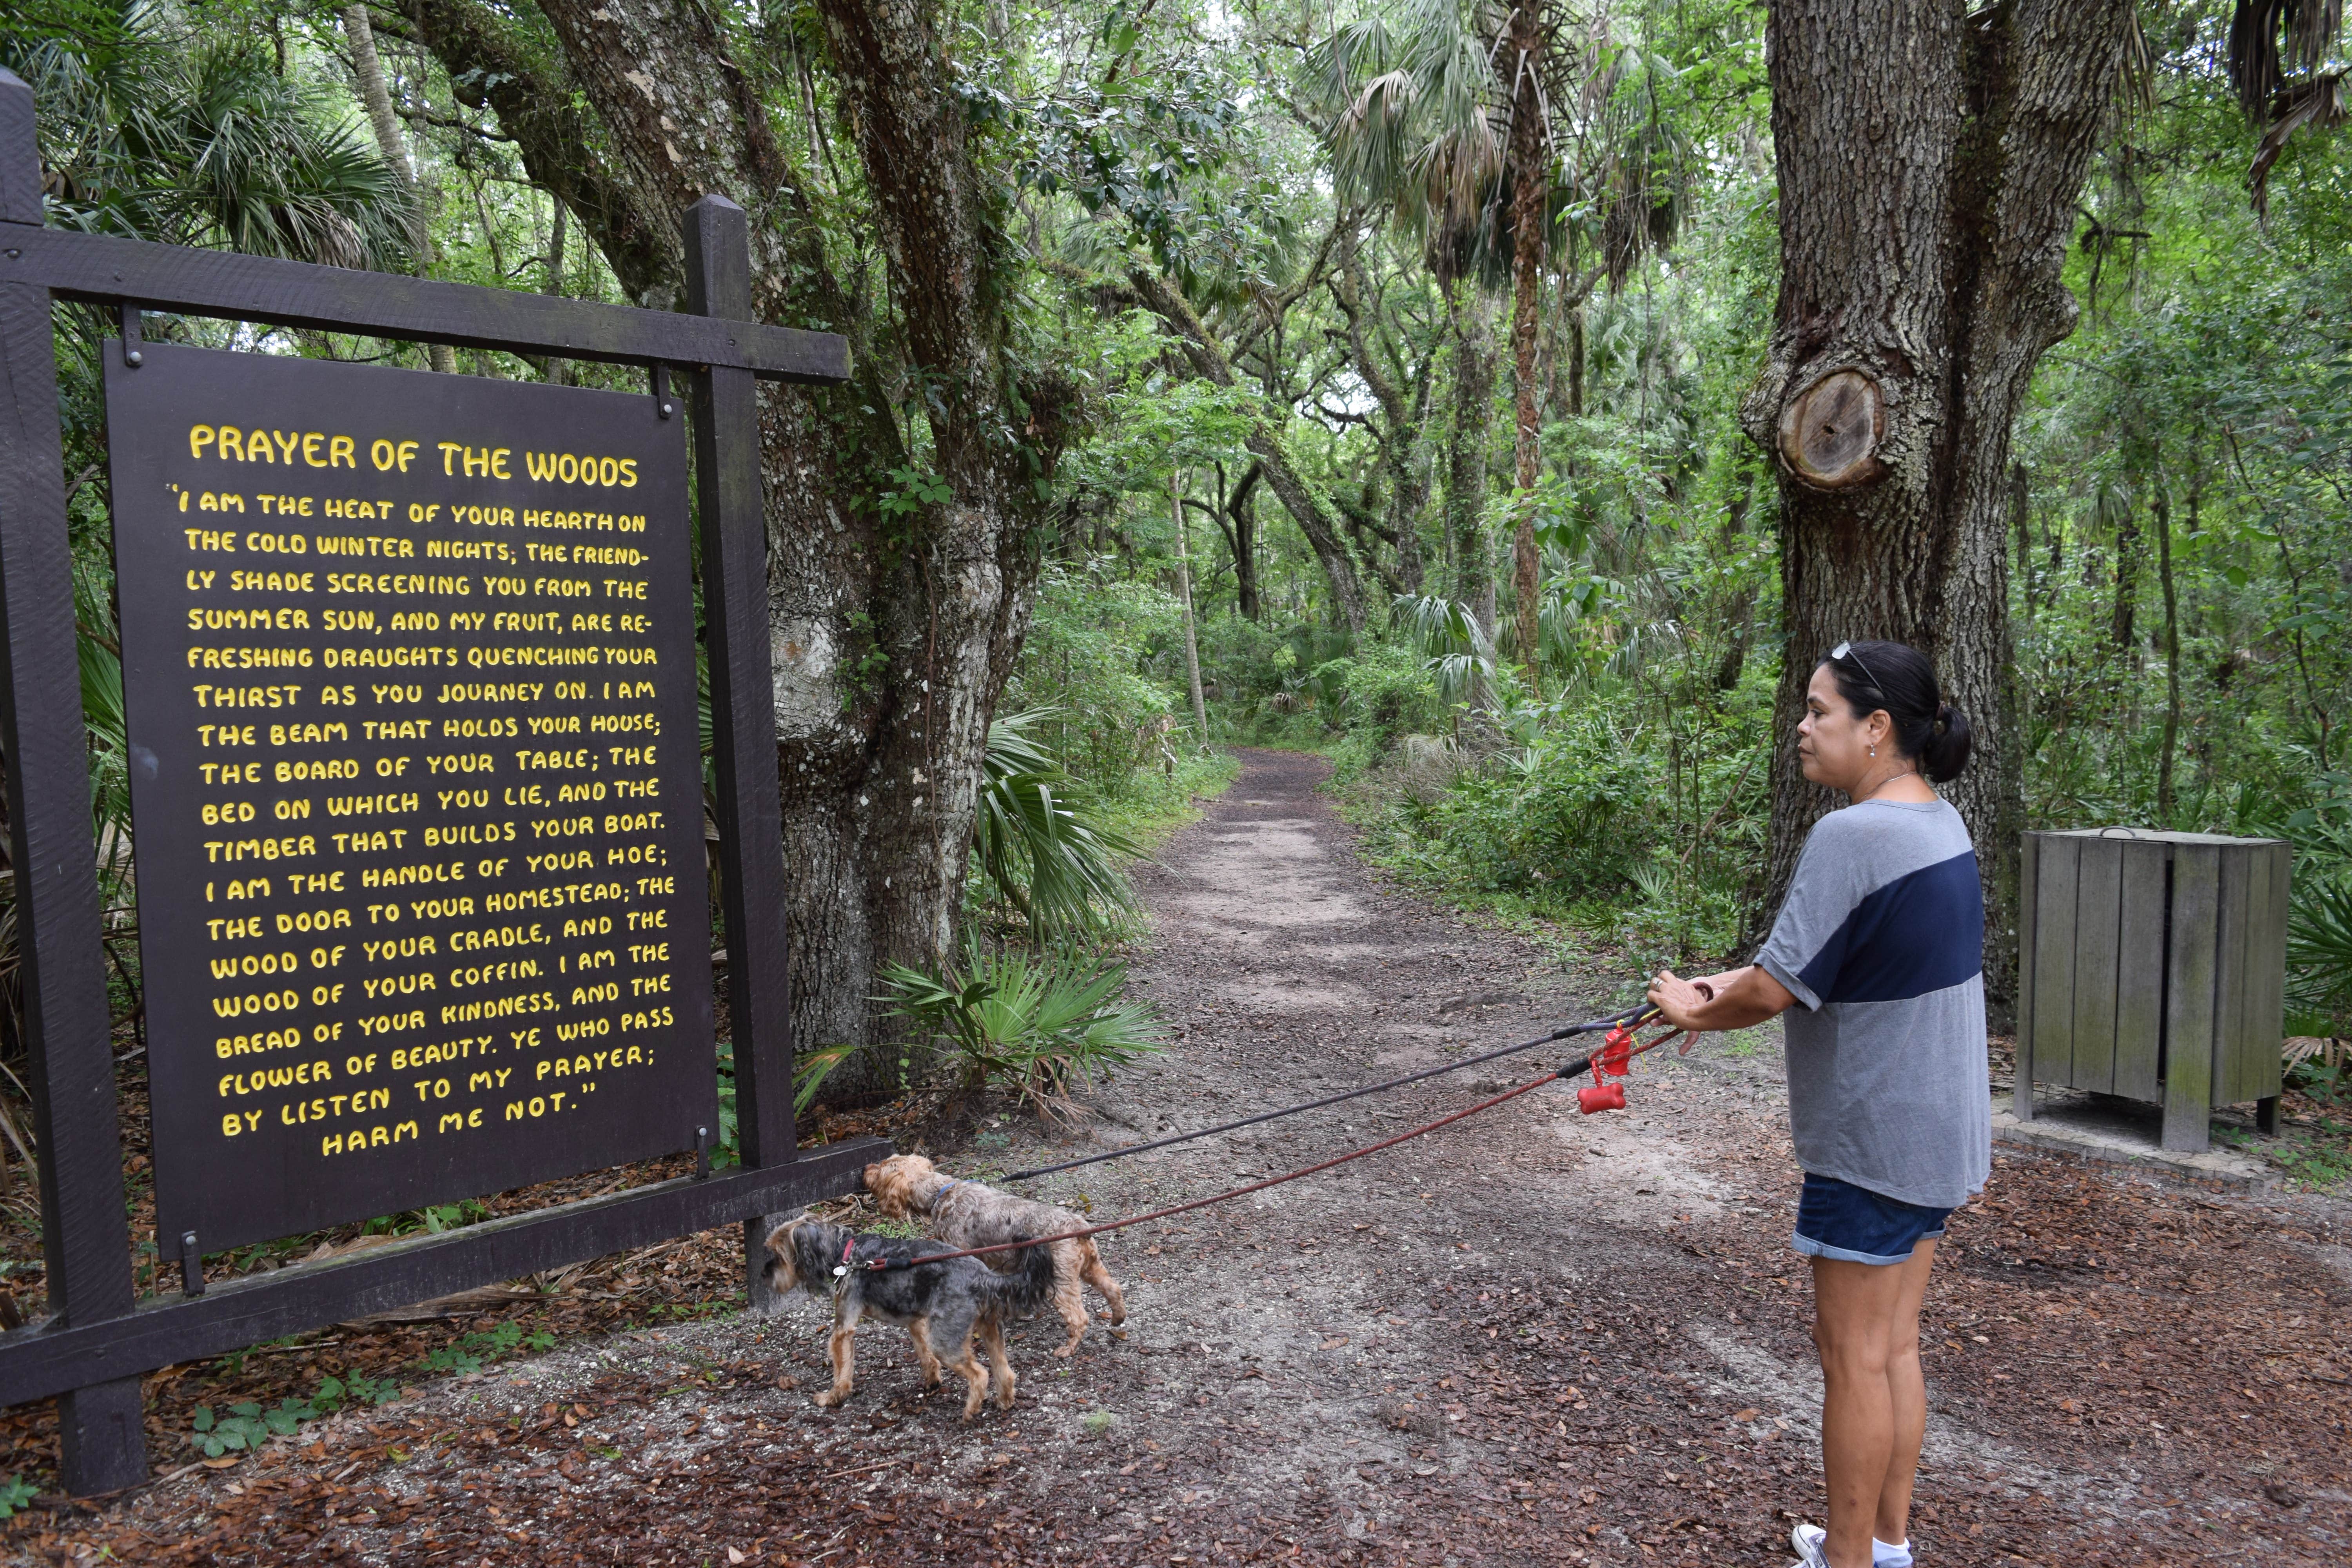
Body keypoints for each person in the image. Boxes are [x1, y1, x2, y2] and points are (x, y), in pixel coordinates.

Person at [1646, 640, 1987, 1568]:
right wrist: (1727, 986)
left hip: (1874, 1138)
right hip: (1940, 1129)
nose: (1802, 726)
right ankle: (1886, 1542)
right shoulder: (1939, 823)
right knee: (1894, 1345)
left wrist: (1698, 1007)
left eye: (1819, 710)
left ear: (1877, 729)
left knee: (1851, 1357)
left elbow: (1772, 992)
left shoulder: (1854, 835)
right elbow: (1830, 963)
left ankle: (1843, 1560)